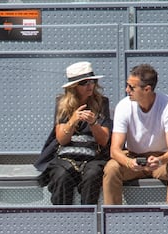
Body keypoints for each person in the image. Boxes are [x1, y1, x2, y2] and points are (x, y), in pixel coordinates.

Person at [103, 64, 168, 205]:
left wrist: (160, 160)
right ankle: (113, 219)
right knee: (111, 168)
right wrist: (129, 162)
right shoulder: (124, 106)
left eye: (131, 87)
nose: (127, 90)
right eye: (127, 85)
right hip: (133, 157)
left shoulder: (167, 105)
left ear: (147, 89)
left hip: (160, 160)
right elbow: (114, 150)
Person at [37, 61, 112, 205]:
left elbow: (103, 141)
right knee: (61, 175)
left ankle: (88, 219)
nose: (90, 86)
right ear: (74, 87)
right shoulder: (63, 103)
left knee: (93, 175)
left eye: (92, 81)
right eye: (84, 83)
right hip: (67, 155)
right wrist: (73, 120)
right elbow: (62, 140)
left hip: (93, 156)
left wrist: (93, 123)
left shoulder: (102, 103)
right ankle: (64, 221)